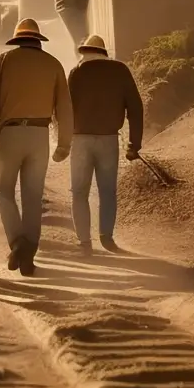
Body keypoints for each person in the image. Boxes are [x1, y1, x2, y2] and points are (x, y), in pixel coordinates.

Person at [0, 17, 73, 277]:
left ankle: (17, 242)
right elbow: (64, 108)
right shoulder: (53, 64)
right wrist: (64, 143)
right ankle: (29, 252)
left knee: (3, 190)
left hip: (10, 133)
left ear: (17, 39)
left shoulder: (2, 61)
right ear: (38, 40)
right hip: (39, 135)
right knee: (33, 196)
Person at [67, 34, 144, 254]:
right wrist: (134, 143)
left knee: (79, 192)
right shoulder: (120, 71)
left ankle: (84, 242)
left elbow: (64, 109)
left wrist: (62, 140)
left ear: (85, 52)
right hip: (109, 139)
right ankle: (106, 237)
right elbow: (135, 108)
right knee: (107, 191)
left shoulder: (76, 73)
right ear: (103, 52)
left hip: (80, 140)